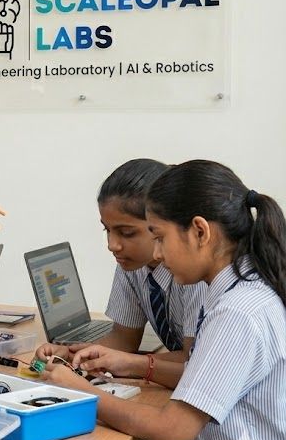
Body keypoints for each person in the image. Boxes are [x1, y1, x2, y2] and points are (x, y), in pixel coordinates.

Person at [44, 160, 286, 440]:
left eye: (159, 237)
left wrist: (83, 394)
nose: (156, 254)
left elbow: (171, 433)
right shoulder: (236, 288)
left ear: (200, 232)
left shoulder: (237, 311)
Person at [35, 159, 206, 389]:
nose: (113, 245)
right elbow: (124, 338)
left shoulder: (196, 276)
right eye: (107, 230)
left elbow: (194, 363)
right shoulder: (132, 265)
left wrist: (131, 364)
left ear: (160, 224)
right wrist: (74, 355)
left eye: (126, 233)